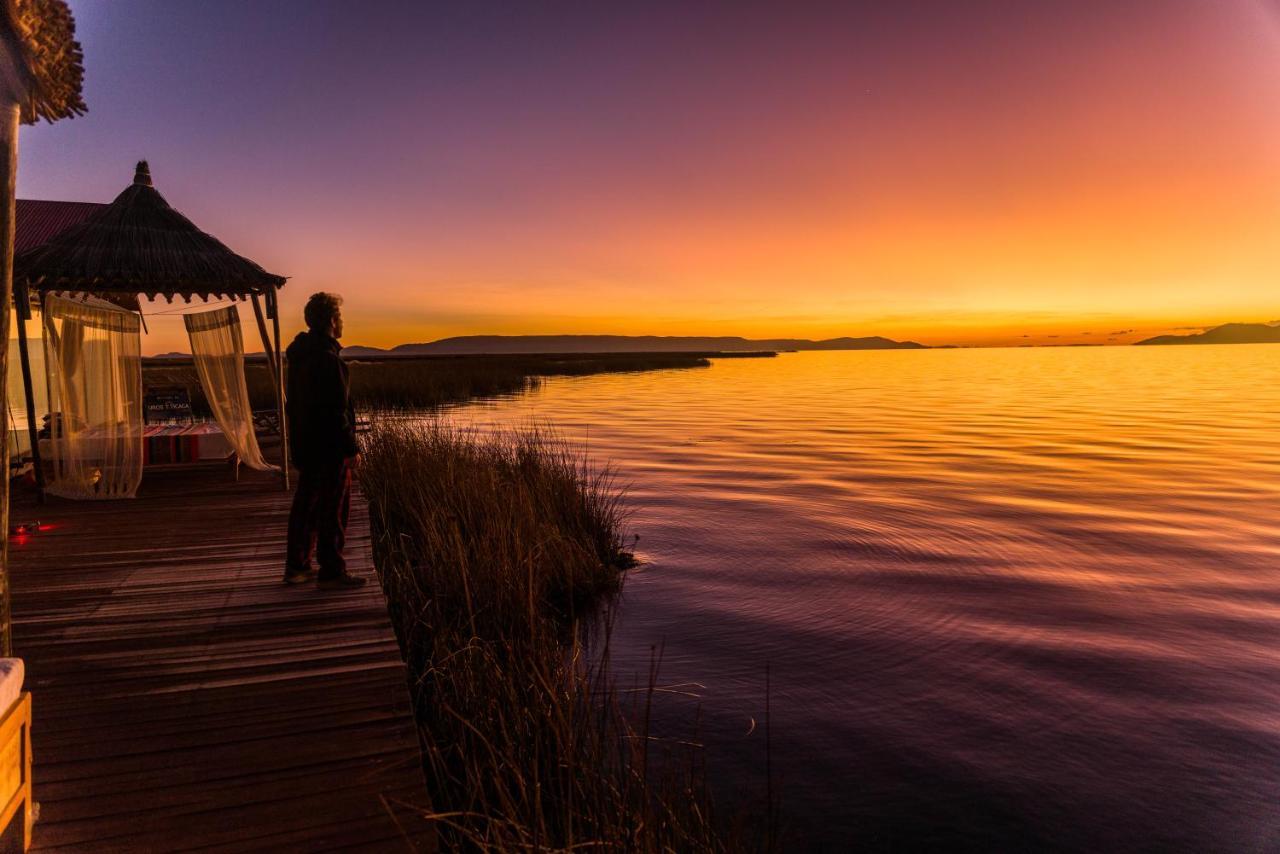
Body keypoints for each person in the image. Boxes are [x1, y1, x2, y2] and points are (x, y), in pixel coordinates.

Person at [283, 292, 367, 589]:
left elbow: (294, 405)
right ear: (332, 321)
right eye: (339, 317)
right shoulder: (329, 361)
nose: (341, 322)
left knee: (307, 506)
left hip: (306, 445)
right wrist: (351, 449)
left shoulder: (299, 357)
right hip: (329, 450)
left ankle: (298, 566)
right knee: (333, 509)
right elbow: (336, 411)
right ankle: (332, 571)